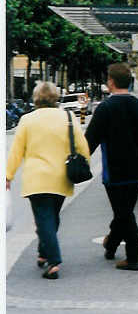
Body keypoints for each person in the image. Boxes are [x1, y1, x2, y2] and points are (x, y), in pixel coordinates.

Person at [6, 82, 91, 279]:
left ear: (36, 98)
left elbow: (16, 151)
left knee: (44, 219)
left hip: (37, 179)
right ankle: (43, 253)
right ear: (55, 97)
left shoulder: (27, 120)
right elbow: (82, 147)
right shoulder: (69, 117)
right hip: (62, 177)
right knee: (51, 217)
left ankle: (53, 261)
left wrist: (8, 175)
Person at [85, 63, 138, 271]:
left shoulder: (105, 108)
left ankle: (135, 257)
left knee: (124, 213)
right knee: (124, 210)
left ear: (110, 82)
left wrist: (79, 161)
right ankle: (111, 244)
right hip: (137, 170)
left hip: (114, 170)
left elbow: (90, 141)